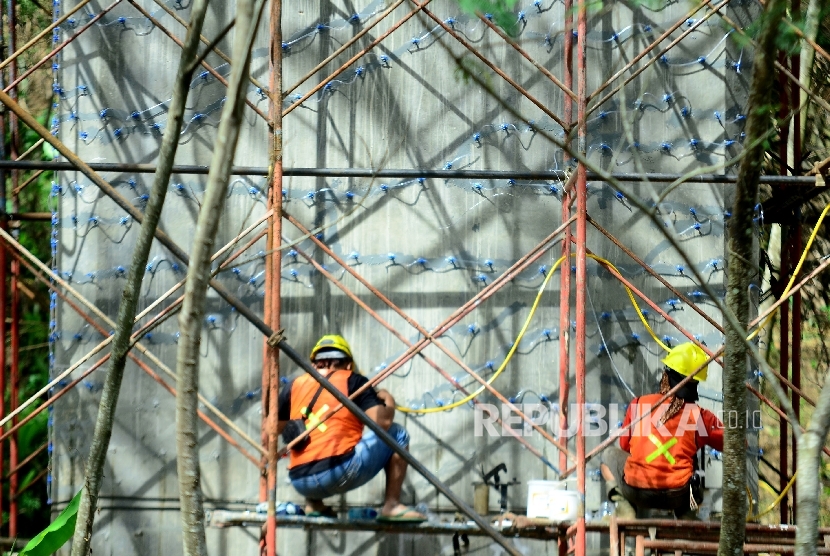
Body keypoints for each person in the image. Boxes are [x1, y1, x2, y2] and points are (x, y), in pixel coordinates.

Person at [277, 334, 426, 522]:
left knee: (314, 444)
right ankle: (392, 505)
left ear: (314, 363)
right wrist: (389, 400)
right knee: (397, 434)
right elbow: (382, 423)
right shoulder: (352, 380)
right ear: (348, 364)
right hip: (338, 474)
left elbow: (271, 428)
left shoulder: (293, 386)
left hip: (299, 481)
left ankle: (313, 504)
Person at [600, 342, 724, 520]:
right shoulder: (700, 416)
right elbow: (734, 443)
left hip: (636, 491)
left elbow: (624, 445)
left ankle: (624, 506)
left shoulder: (638, 404)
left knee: (608, 455)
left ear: (665, 376)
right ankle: (687, 514)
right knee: (694, 460)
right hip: (678, 495)